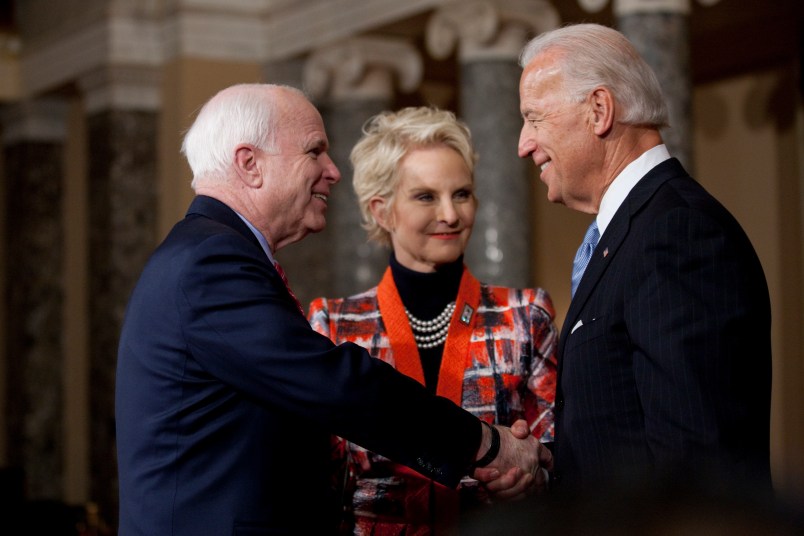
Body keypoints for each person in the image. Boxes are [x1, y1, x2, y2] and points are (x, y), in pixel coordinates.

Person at [115, 83, 551, 536]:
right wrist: (482, 444)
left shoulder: (209, 254)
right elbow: (339, 387)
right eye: (314, 152)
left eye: (462, 194)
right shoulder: (210, 263)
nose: (333, 171)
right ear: (250, 164)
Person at [516, 24, 772, 496]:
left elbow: (697, 467)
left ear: (598, 111)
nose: (523, 143)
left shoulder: (677, 233)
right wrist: (552, 463)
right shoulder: (634, 231)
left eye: (534, 118)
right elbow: (623, 426)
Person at [308, 106, 558, 534]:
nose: (451, 214)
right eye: (426, 196)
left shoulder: (525, 314)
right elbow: (315, 478)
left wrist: (532, 477)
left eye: (461, 194)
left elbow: (558, 453)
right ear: (381, 210)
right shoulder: (334, 324)